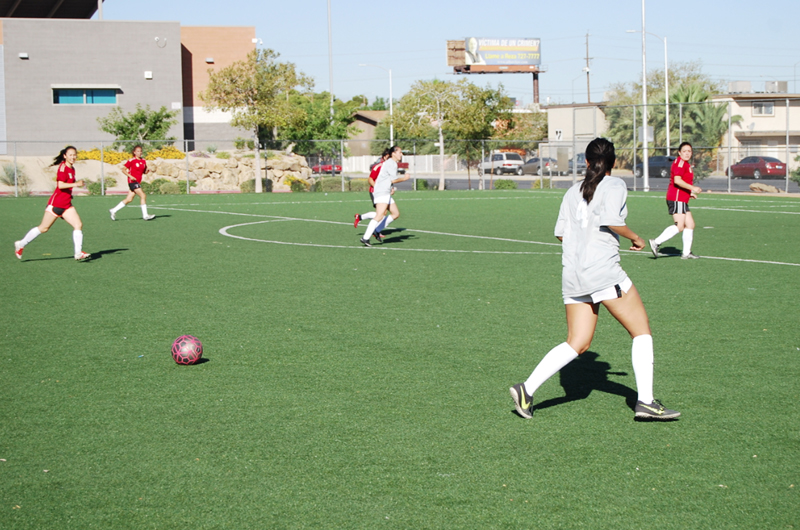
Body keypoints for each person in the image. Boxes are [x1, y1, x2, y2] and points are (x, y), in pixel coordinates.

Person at [509, 138, 680, 421]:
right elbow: (613, 220)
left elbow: (561, 233)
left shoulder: (573, 191)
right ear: (613, 162)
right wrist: (636, 238)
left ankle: (527, 389)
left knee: (578, 342)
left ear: (586, 162)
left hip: (573, 275)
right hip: (602, 272)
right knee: (641, 331)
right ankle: (647, 402)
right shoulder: (614, 185)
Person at [14, 146, 91, 261]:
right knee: (43, 228)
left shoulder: (72, 169)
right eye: (70, 155)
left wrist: (74, 187)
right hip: (56, 204)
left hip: (66, 205)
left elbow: (68, 184)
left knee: (78, 225)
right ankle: (21, 244)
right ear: (65, 156)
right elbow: (60, 185)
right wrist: (76, 184)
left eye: (74, 154)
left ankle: (78, 253)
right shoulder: (62, 168)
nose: (73, 157)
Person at [649, 142, 702, 259]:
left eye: (689, 151)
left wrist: (690, 193)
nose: (687, 153)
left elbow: (683, 182)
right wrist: (693, 188)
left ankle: (686, 253)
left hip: (682, 198)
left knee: (690, 224)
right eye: (684, 151)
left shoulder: (686, 164)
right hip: (676, 198)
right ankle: (656, 242)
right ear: (679, 152)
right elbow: (677, 181)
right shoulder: (680, 163)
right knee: (680, 226)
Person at [359, 145, 409, 247]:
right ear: (393, 153)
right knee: (379, 215)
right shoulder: (391, 163)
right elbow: (393, 180)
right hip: (382, 192)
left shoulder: (391, 163)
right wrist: (404, 178)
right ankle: (365, 237)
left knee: (395, 213)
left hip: (384, 191)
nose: (401, 154)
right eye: (400, 152)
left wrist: (391, 188)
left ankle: (377, 230)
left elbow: (387, 179)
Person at [109, 145, 155, 221]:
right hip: (132, 182)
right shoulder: (131, 160)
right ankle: (145, 215)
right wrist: (130, 176)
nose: (139, 152)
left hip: (137, 182)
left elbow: (143, 171)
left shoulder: (143, 161)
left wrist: (147, 171)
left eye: (140, 151)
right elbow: (123, 170)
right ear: (134, 152)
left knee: (129, 199)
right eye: (138, 151)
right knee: (143, 195)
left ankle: (113, 210)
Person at [354, 148, 390, 242]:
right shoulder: (379, 166)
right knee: (381, 213)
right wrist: (378, 188)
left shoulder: (388, 166)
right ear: (385, 157)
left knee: (382, 213)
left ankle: (361, 218)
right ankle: (374, 231)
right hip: (375, 191)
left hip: (383, 192)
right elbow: (370, 179)